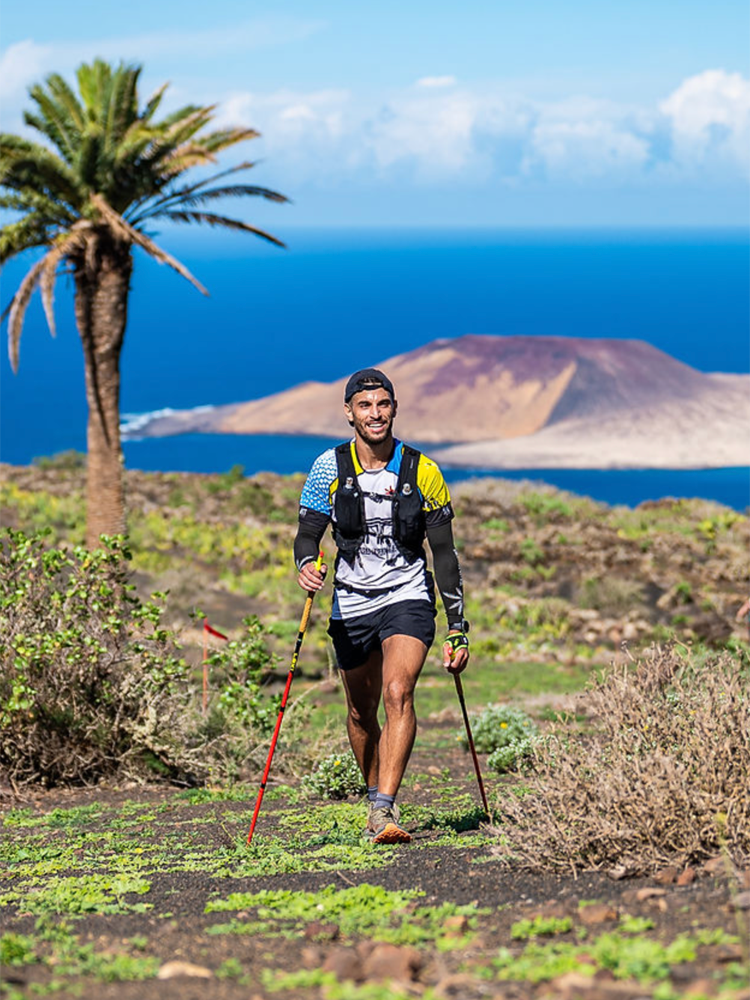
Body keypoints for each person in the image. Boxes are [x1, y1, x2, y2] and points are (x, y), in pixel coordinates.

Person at [294, 367, 469, 844]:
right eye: (366, 406)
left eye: (384, 404)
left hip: (407, 595)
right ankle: (373, 794)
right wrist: (306, 563)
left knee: (398, 693)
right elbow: (307, 534)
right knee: (359, 712)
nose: (376, 414)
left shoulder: (423, 471)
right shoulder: (328, 467)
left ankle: (385, 808)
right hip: (351, 603)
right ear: (349, 413)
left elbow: (445, 555)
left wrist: (458, 627)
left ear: (395, 408)